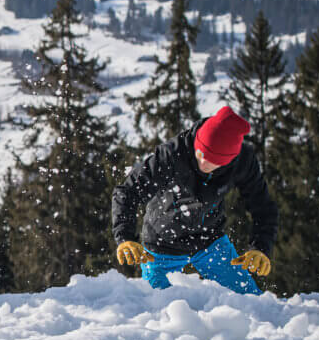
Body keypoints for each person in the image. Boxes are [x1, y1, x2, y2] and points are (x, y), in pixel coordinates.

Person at [112, 106, 279, 294]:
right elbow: (127, 191)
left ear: (229, 159)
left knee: (250, 299)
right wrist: (125, 237)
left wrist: (260, 248)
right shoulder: (172, 155)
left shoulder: (243, 161)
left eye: (212, 160)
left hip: (210, 241)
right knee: (156, 308)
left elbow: (263, 207)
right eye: (200, 154)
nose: (203, 164)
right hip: (161, 244)